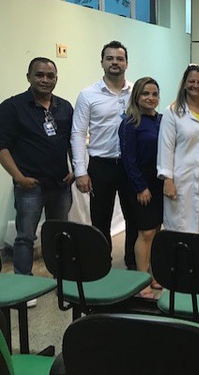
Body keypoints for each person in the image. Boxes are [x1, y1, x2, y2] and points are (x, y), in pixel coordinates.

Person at [0, 57, 73, 285]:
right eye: (39, 75)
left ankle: (60, 277)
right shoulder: (12, 107)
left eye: (50, 76)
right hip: (30, 185)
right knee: (25, 237)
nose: (45, 80)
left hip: (60, 184)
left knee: (58, 233)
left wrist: (75, 169)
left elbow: (72, 140)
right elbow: (2, 146)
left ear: (56, 79)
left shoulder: (64, 107)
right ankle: (24, 283)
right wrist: (19, 177)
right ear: (28, 77)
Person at [71, 40, 136, 268]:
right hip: (101, 166)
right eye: (110, 58)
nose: (115, 62)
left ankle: (133, 265)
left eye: (119, 58)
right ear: (102, 62)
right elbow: (78, 133)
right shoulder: (88, 95)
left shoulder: (136, 92)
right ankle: (101, 266)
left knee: (134, 219)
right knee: (101, 220)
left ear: (127, 63)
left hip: (130, 167)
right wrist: (80, 171)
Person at [157, 64, 199, 237]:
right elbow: (166, 147)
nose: (196, 85)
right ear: (184, 83)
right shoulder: (172, 112)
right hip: (180, 179)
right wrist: (167, 179)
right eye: (191, 81)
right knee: (180, 228)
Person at [119, 77, 163, 299]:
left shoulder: (162, 120)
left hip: (159, 182)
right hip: (140, 183)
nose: (150, 98)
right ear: (136, 96)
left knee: (156, 231)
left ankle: (155, 274)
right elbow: (128, 159)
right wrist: (140, 187)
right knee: (145, 231)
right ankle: (141, 278)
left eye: (154, 94)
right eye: (145, 93)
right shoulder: (130, 123)